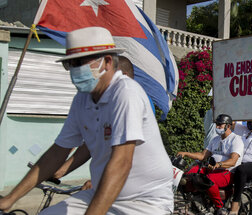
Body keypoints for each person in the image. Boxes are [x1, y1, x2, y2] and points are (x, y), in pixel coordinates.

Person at [0, 27, 174, 214]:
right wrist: (10, 199)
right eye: (70, 65)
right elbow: (58, 151)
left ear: (107, 62)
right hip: (100, 192)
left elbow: (122, 162)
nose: (74, 70)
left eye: (79, 63)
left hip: (144, 202)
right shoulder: (81, 99)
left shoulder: (126, 93)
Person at [52, 56, 142, 191]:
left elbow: (123, 158)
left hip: (132, 185)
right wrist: (59, 171)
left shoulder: (131, 100)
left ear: (123, 76)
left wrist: (99, 181)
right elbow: (91, 141)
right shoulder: (95, 101)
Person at [177, 114, 243, 215]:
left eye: (220, 125)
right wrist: (185, 154)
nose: (217, 127)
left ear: (228, 126)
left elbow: (233, 161)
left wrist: (219, 164)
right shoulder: (215, 139)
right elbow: (203, 155)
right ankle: (196, 201)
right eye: (217, 124)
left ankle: (219, 207)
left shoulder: (236, 139)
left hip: (227, 172)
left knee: (208, 180)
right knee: (188, 174)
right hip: (212, 169)